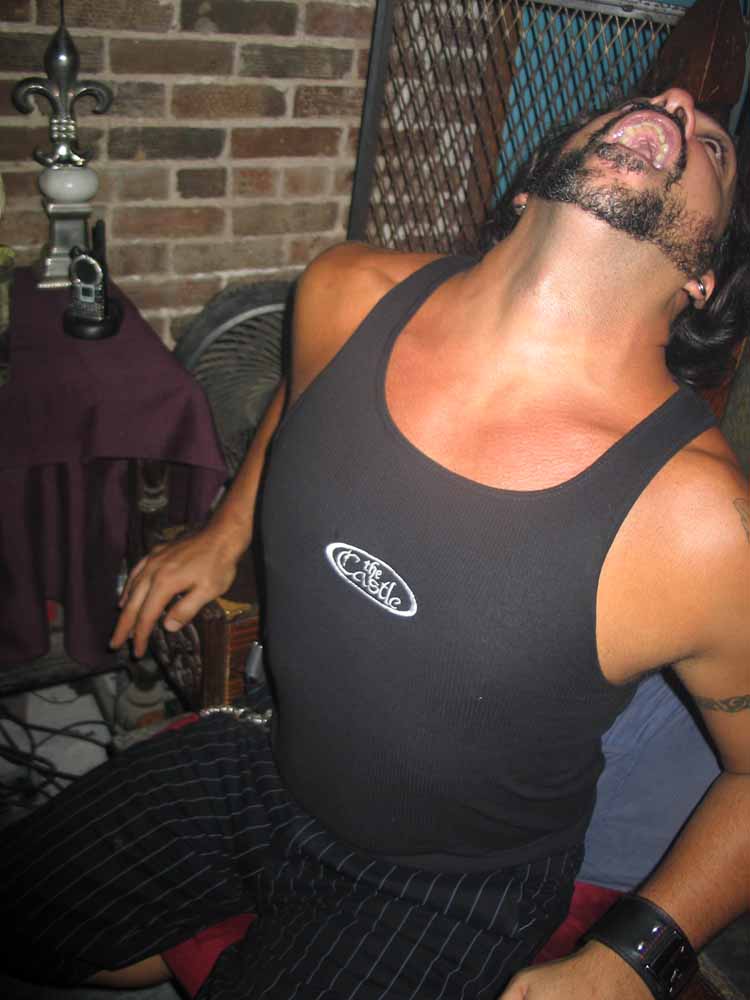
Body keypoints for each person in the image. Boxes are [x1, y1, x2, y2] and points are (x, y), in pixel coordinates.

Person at [2, 88, 748, 1000]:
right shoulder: (346, 291)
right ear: (528, 189)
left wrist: (635, 959)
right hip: (268, 759)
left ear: (705, 278)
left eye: (714, 146)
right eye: (651, 101)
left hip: (452, 887)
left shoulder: (698, 520)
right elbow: (304, 391)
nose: (676, 103)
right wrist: (227, 527)